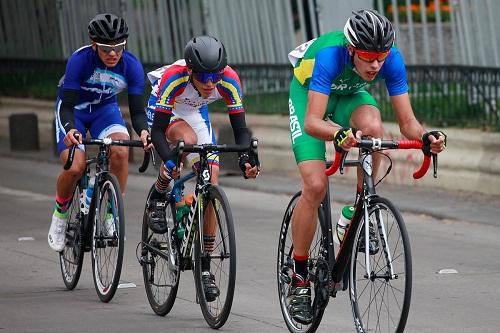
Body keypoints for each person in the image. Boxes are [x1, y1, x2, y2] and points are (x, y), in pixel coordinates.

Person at [286, 9, 446, 324]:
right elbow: (314, 122)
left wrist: (427, 136)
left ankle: (357, 212)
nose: (376, 65)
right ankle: (299, 278)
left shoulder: (392, 60)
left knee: (373, 127)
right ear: (351, 49)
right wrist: (339, 134)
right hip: (309, 98)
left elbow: (407, 123)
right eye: (368, 57)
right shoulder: (330, 56)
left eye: (381, 57)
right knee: (316, 186)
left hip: (347, 96)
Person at [145, 35, 259, 302]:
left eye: (215, 77)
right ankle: (160, 193)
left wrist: (245, 159)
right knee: (188, 143)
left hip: (195, 112)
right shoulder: (175, 76)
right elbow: (158, 132)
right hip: (167, 109)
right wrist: (171, 161)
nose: (210, 84)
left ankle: (204, 265)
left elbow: (240, 130)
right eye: (204, 78)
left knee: (212, 182)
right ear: (190, 71)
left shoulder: (229, 79)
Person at [48, 13, 151, 252]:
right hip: (74, 111)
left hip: (105, 110)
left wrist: (144, 131)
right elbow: (68, 105)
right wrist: (72, 129)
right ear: (94, 45)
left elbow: (137, 112)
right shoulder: (80, 60)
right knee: (75, 166)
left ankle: (109, 214)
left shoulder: (132, 66)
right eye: (106, 48)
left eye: (118, 47)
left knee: (121, 150)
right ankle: (60, 216)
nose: (113, 53)